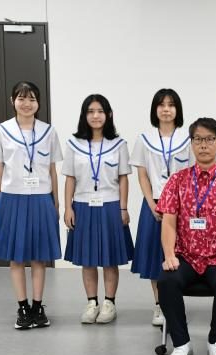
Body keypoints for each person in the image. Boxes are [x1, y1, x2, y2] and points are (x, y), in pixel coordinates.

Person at [156, 117, 216, 355]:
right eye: (198, 139)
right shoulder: (177, 180)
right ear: (191, 143)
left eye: (209, 139)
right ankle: (181, 343)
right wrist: (169, 254)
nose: (204, 145)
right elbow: (168, 222)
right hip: (185, 256)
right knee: (166, 281)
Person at [0, 81, 62, 329]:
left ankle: (38, 307)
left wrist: (56, 202)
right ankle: (23, 308)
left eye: (32, 99)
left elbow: (52, 170)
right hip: (11, 198)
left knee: (39, 257)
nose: (26, 103)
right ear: (12, 101)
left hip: (41, 198)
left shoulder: (48, 131)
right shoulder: (1, 131)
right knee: (16, 258)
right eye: (21, 98)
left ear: (38, 103)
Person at [63, 94, 134, 324]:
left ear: (109, 114)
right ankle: (91, 302)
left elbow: (123, 178)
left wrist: (123, 208)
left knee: (109, 259)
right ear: (84, 115)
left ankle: (109, 303)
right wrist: (68, 207)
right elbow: (70, 178)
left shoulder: (118, 144)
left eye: (100, 111)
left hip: (110, 205)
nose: (96, 116)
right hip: (83, 205)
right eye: (91, 111)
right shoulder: (74, 144)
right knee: (88, 259)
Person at [130, 88, 191, 326]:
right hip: (154, 206)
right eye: (162, 105)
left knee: (180, 255)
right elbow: (142, 175)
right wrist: (151, 203)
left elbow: (192, 174)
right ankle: (159, 305)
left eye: (171, 105)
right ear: (155, 109)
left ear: (178, 109)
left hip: (182, 207)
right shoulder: (144, 139)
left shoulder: (188, 138)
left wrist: (183, 204)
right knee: (156, 257)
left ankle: (176, 302)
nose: (166, 109)